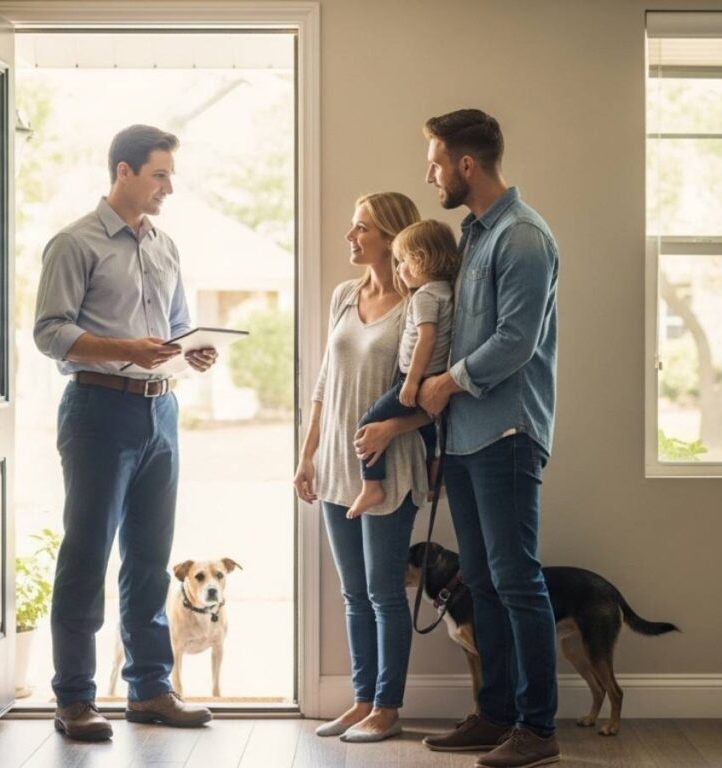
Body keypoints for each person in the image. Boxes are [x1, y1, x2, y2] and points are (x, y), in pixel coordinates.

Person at [34, 124, 216, 742]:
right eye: (160, 174)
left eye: (170, 174)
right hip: (97, 412)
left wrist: (192, 353)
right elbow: (49, 331)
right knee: (86, 554)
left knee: (148, 560)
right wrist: (126, 350)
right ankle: (76, 700)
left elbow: (178, 326)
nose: (169, 186)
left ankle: (149, 690)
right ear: (123, 172)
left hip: (160, 414)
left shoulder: (165, 246)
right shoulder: (74, 243)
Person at [417, 109, 561, 768]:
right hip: (469, 441)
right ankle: (496, 713)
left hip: (507, 434)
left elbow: (514, 342)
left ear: (465, 165)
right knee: (482, 578)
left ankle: (537, 729)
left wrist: (445, 384)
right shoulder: (473, 235)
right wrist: (444, 438)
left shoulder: (524, 238)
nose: (431, 173)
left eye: (436, 162)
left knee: (517, 580)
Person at [293, 192, 430, 742]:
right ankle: (360, 699)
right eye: (353, 227)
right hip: (334, 466)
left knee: (383, 592)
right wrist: (308, 456)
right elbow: (326, 382)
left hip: (390, 468)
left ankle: (386, 707)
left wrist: (390, 429)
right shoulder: (344, 296)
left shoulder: (421, 304)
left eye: (361, 229)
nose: (350, 238)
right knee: (353, 592)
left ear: (391, 237)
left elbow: (429, 397)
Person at [347, 219, 461, 518]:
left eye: (404, 262)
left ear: (421, 260)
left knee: (368, 422)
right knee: (427, 429)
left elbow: (426, 337)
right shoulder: (446, 291)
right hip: (431, 375)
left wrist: (410, 382)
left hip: (416, 376)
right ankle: (434, 477)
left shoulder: (424, 296)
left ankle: (372, 485)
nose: (399, 269)